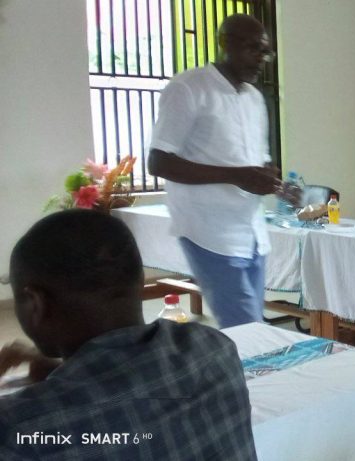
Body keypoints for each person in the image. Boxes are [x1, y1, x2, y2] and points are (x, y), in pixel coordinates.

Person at [0, 210, 256, 460]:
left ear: (35, 303)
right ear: (141, 279)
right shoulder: (215, 349)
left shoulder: (19, 427)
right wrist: (61, 373)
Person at [148, 14, 291, 328]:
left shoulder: (254, 99)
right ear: (225, 43)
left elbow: (254, 163)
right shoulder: (188, 88)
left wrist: (276, 184)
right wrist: (237, 176)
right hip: (209, 231)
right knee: (247, 329)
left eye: (265, 52)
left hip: (251, 232)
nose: (261, 59)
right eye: (253, 49)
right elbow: (159, 162)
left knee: (251, 327)